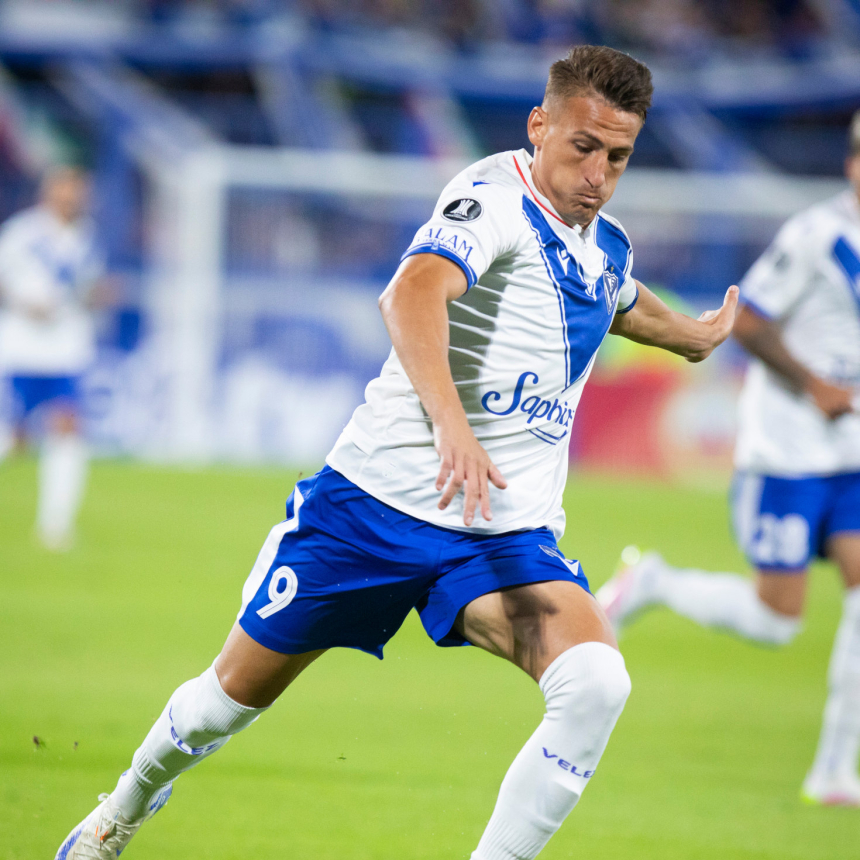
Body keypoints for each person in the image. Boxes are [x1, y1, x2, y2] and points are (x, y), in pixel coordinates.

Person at [56, 45, 738, 859]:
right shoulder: (492, 203)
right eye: (583, 147)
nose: (597, 175)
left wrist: (692, 335)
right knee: (220, 705)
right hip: (372, 510)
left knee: (596, 682)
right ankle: (120, 811)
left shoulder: (606, 242)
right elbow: (410, 292)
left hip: (497, 533)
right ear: (539, 126)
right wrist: (452, 424)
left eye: (617, 157)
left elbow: (615, 295)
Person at [597, 111, 860, 808]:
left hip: (852, 456)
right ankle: (653, 583)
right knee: (778, 622)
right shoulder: (818, 235)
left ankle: (834, 770)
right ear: (852, 166)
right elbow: (749, 320)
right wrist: (815, 385)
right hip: (789, 451)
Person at [0, 166, 105, 551]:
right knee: (15, 439)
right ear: (50, 191)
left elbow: (86, 290)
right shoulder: (22, 234)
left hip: (66, 351)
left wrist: (99, 296)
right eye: (67, 189)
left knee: (67, 429)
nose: (73, 198)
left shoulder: (87, 238)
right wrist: (23, 303)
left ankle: (55, 527)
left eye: (79, 191)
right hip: (22, 350)